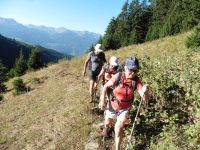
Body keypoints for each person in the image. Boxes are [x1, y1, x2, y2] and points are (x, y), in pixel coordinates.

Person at [99, 56, 149, 150]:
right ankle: (106, 127)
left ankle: (117, 148)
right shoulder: (118, 76)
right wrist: (102, 100)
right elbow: (105, 86)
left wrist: (146, 92)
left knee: (118, 129)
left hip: (125, 108)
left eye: (136, 70)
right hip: (112, 104)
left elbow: (144, 98)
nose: (133, 73)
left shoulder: (136, 81)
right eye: (131, 70)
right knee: (108, 121)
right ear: (125, 67)